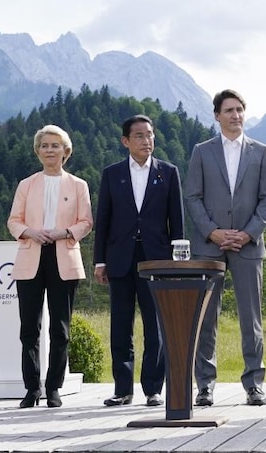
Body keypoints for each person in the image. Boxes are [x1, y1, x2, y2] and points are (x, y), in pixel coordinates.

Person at [186, 89, 266, 407]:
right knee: (205, 319)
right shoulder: (202, 151)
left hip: (248, 247)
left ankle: (254, 384)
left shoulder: (261, 152)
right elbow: (193, 197)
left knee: (251, 319)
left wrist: (248, 234)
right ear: (216, 115)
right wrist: (212, 232)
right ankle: (205, 385)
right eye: (229, 110)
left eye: (239, 109)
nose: (236, 115)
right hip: (209, 247)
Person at [93, 114, 185, 407]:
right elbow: (103, 219)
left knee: (155, 325)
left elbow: (177, 221)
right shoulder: (112, 174)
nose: (147, 141)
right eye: (139, 136)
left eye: (150, 135)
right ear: (125, 141)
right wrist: (99, 261)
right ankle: (122, 389)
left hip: (156, 260)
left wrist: (176, 262)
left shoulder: (168, 172)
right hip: (119, 259)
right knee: (120, 325)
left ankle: (153, 389)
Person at [7, 125, 93, 409]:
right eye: (44, 145)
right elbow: (13, 221)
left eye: (55, 145)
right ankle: (32, 388)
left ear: (66, 151)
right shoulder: (26, 184)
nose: (50, 150)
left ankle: (54, 387)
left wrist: (64, 232)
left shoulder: (78, 185)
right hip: (31, 257)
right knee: (29, 328)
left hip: (63, 257)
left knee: (60, 328)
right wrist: (30, 232)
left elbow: (86, 222)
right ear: (37, 151)